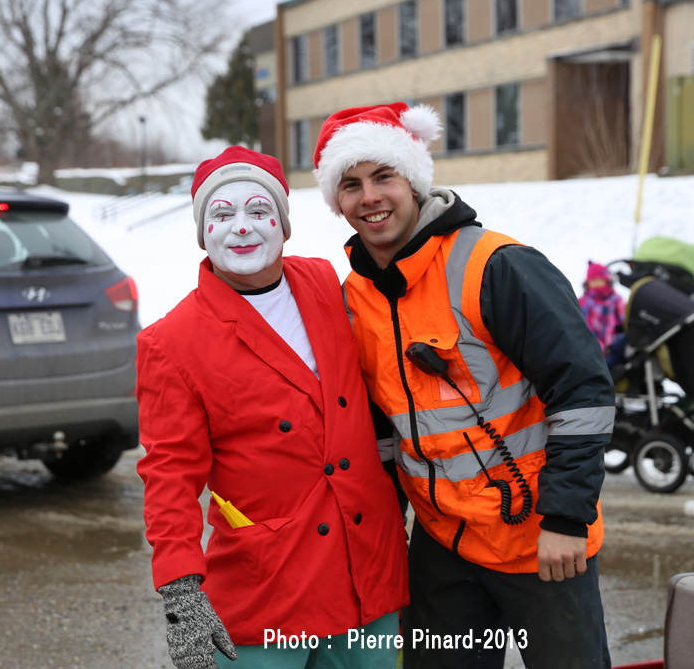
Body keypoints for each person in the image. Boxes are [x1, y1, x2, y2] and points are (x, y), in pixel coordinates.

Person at [312, 102, 614, 669]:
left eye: (384, 177)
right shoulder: (355, 300)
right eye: (350, 185)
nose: (369, 197)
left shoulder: (496, 265)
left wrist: (568, 518)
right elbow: (380, 433)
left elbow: (584, 393)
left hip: (538, 540)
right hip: (442, 549)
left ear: (414, 180)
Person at [135, 146, 409, 669]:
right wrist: (181, 592)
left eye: (258, 211)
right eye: (222, 215)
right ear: (203, 233)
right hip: (269, 587)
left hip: (367, 571)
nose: (242, 228)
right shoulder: (170, 343)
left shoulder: (327, 284)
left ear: (283, 226)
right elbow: (169, 475)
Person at [578, 261, 625, 354]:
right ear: (588, 283)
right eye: (594, 281)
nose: (597, 284)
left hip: (613, 345)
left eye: (600, 280)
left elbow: (624, 318)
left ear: (607, 281)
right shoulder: (582, 302)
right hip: (591, 346)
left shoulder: (616, 300)